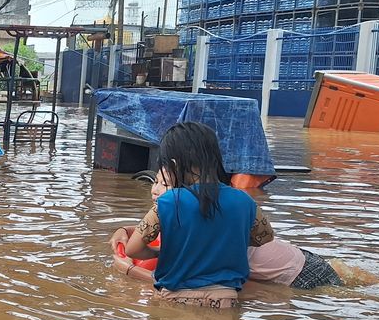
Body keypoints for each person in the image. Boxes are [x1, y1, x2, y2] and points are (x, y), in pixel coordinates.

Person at [117, 122, 274, 308]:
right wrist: (225, 242)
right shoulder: (244, 200)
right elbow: (265, 237)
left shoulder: (168, 201)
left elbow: (132, 250)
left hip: (175, 298)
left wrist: (159, 251)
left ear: (173, 163)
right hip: (225, 299)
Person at [112, 168, 347, 290]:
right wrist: (125, 229)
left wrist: (127, 270)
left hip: (303, 275)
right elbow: (154, 232)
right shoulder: (201, 212)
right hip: (298, 261)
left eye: (165, 185)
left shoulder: (198, 224)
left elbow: (173, 283)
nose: (155, 190)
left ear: (184, 193)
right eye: (156, 181)